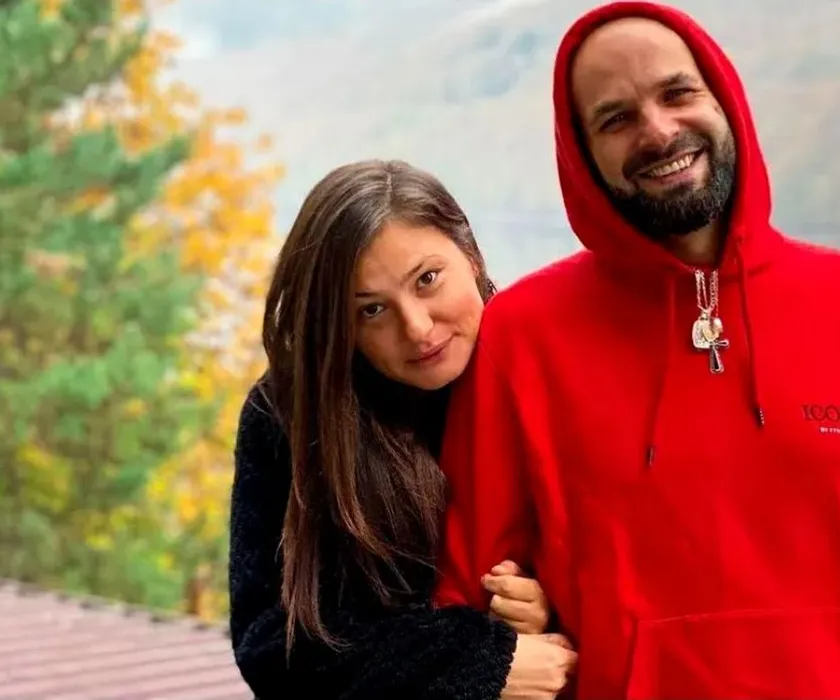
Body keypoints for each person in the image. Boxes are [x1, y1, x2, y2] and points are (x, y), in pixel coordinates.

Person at [433, 2, 840, 699]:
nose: (658, 131)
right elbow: (470, 600)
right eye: (616, 118)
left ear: (724, 99)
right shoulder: (522, 338)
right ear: (580, 152)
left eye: (677, 93)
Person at [228, 159, 578, 700]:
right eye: (372, 311)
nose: (416, 328)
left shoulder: (551, 373)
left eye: (427, 280)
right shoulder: (291, 414)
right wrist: (478, 658)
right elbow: (272, 649)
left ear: (470, 253)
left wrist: (549, 607)